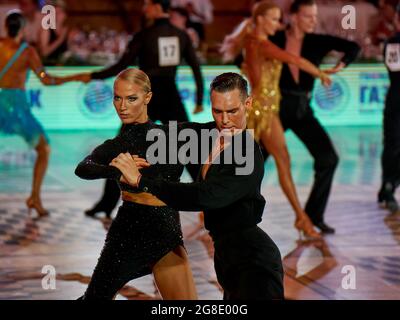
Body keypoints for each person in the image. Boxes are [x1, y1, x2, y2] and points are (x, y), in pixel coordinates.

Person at [110, 72, 284, 300]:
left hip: (254, 263)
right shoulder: (207, 134)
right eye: (217, 111)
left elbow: (204, 196)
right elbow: (164, 135)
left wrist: (143, 182)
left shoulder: (247, 154)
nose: (225, 120)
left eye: (233, 111)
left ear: (248, 104)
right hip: (226, 258)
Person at [75, 68, 199, 300]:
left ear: (147, 98)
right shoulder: (117, 144)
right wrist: (118, 171)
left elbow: (215, 129)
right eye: (117, 97)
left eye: (131, 98)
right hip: (128, 233)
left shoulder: (174, 134)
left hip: (166, 229)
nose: (122, 106)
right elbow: (83, 167)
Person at [79, 0, 205, 219]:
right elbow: (195, 67)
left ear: (157, 7)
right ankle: (207, 198)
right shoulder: (180, 35)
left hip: (145, 97)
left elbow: (121, 66)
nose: (144, 8)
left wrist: (92, 76)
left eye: (148, 4)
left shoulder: (145, 35)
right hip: (171, 96)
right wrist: (200, 99)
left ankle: (106, 204)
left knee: (121, 150)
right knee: (188, 148)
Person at [221, 1, 331, 239]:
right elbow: (295, 60)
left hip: (262, 112)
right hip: (263, 113)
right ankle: (302, 218)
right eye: (273, 19)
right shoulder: (260, 44)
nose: (278, 24)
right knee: (279, 161)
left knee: (242, 166)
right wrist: (321, 74)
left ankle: (215, 207)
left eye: (279, 19)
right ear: (260, 19)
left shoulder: (252, 41)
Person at [269, 0, 361, 233]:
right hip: (275, 110)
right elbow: (244, 57)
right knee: (249, 162)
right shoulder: (275, 39)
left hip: (303, 109)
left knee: (328, 159)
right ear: (294, 16)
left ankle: (312, 216)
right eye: (308, 16)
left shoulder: (317, 41)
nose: (313, 20)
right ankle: (227, 212)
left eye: (314, 16)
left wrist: (341, 65)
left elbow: (353, 47)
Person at [0, 11, 80, 218]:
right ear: (24, 29)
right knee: (43, 149)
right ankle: (34, 197)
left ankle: (35, 198)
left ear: (6, 27)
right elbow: (46, 79)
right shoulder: (27, 52)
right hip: (16, 108)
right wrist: (73, 78)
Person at [378, 2, 400, 214]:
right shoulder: (393, 43)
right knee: (393, 145)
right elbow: (395, 68)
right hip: (397, 102)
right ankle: (388, 188)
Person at [38, 0, 69, 65]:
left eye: (59, 12)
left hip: (63, 65)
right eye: (55, 13)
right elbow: (44, 53)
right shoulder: (46, 29)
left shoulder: (65, 29)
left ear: (65, 15)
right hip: (49, 65)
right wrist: (60, 39)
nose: (57, 16)